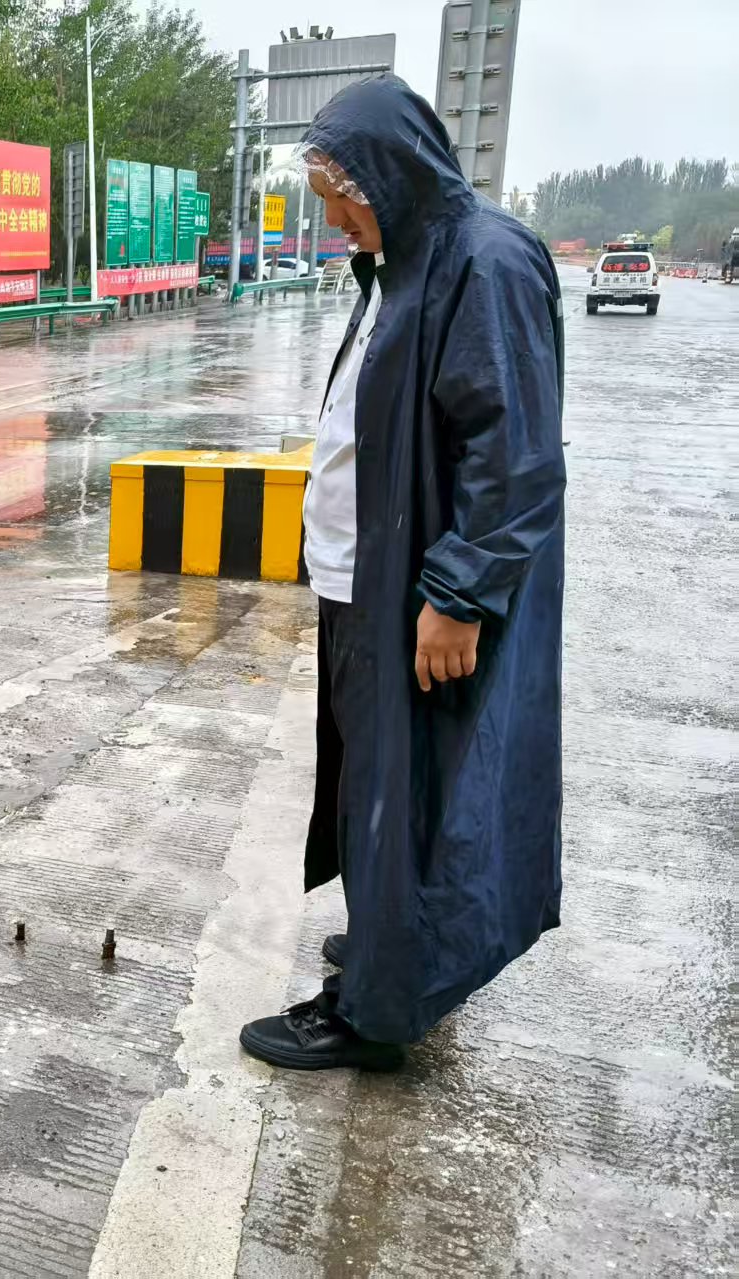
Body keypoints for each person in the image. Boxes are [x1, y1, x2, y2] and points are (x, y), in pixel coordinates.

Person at [239, 77, 567, 1071]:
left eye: (338, 192)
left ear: (386, 176)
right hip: (364, 586)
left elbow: (510, 455)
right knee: (371, 790)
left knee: (403, 797)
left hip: (419, 600)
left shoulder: (484, 262)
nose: (329, 215)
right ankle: (391, 940)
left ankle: (371, 1009)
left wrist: (459, 593)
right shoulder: (401, 261)